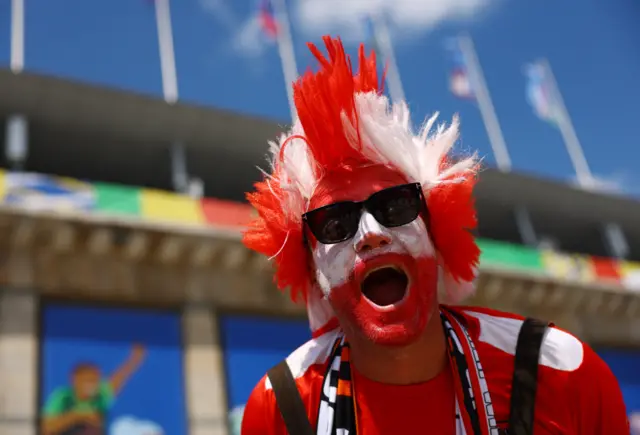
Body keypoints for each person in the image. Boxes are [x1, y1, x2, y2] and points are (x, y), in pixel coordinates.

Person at [240, 35, 629, 435]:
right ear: (313, 274)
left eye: (395, 208)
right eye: (335, 225)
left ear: (435, 232)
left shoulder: (557, 367)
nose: (372, 235)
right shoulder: (281, 406)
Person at [41, 343, 147, 435]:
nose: (92, 385)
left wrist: (134, 359)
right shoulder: (63, 397)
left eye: (95, 380)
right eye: (87, 380)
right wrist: (77, 415)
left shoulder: (100, 395)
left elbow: (118, 379)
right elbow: (46, 428)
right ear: (74, 380)